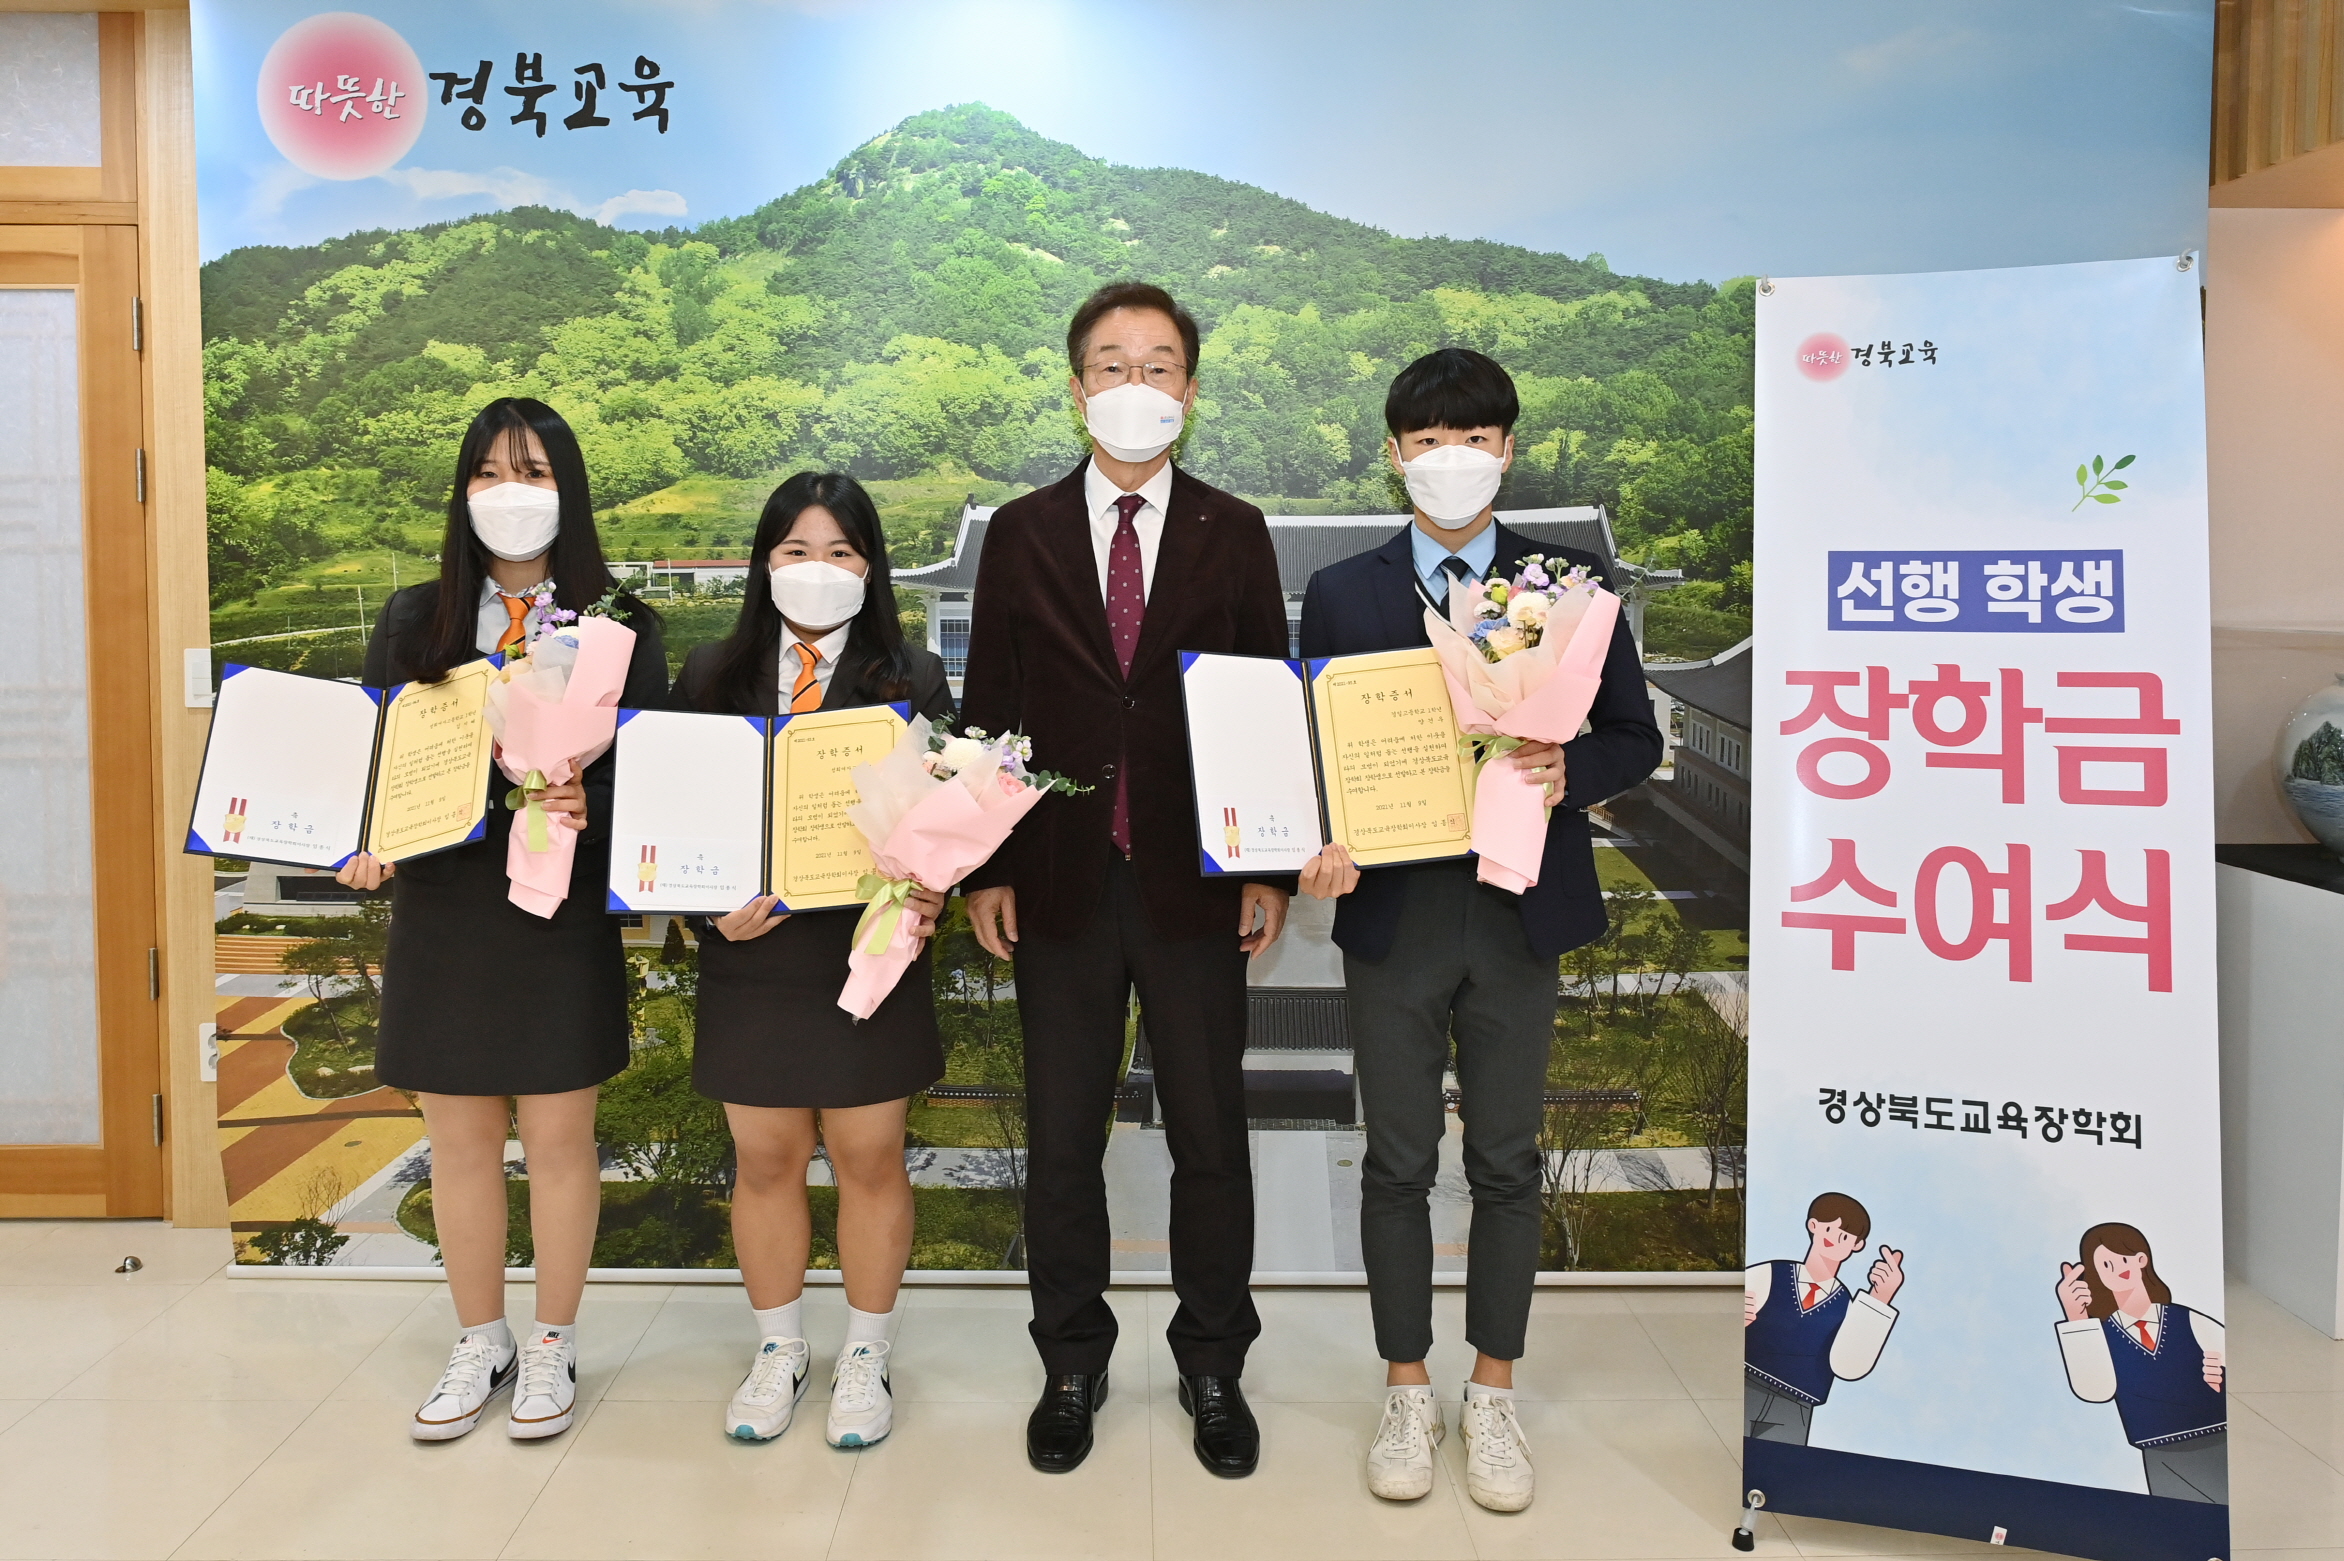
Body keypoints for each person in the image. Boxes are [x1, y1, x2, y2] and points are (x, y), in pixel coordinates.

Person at [1294, 347, 1663, 1512]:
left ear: (1506, 448)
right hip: (1393, 911)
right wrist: (1318, 835)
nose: (1448, 458)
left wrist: (1569, 767)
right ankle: (1407, 1387)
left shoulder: (1565, 579)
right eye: (1425, 440)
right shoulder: (1342, 591)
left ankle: (1493, 1390)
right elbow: (1312, 749)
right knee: (1397, 1159)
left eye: (1471, 438)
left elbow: (1636, 734)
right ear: (1393, 453)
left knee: (1506, 1157)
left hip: (1518, 906)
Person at [960, 281, 1292, 1478]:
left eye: (1158, 364)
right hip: (1058, 878)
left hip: (1195, 881)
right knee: (1061, 1141)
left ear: (1188, 390)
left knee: (1211, 1136)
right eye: (1112, 363)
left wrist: (1265, 866)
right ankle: (1071, 1361)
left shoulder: (1234, 529)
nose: (1134, 383)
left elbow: (1263, 704)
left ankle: (1212, 1362)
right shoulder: (1022, 530)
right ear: (1077, 387)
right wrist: (987, 866)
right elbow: (989, 707)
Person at [338, 396, 667, 1442]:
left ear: (569, 490)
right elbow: (374, 767)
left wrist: (587, 803)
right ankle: (480, 1338)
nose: (508, 492)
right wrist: (363, 842)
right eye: (488, 472)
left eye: (532, 472)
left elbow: (652, 781)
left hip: (557, 912)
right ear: (463, 490)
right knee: (462, 1142)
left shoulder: (621, 623)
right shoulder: (415, 618)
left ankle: (553, 1342)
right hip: (444, 909)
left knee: (561, 1140)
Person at [670, 473, 954, 1451]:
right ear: (765, 562)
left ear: (869, 568)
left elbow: (948, 816)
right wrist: (706, 911)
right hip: (751, 951)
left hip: (867, 953)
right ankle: (779, 1347)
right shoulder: (709, 675)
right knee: (765, 1158)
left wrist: (933, 884)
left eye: (840, 551)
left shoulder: (912, 677)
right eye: (796, 550)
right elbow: (669, 814)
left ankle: (867, 1352)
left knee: (870, 1156)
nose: (817, 568)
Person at [2054, 1221, 2226, 1502]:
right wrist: (2076, 1319)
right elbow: (2096, 1391)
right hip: (2158, 1451)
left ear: (2141, 1259)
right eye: (2106, 1265)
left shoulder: (2184, 1318)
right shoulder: (2100, 1335)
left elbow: (2233, 1360)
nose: (2118, 1268)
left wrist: (2220, 1374)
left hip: (2217, 1437)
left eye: (2123, 1257)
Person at [1742, 1192, 1905, 1448]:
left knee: (1779, 1463)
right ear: (1813, 1225)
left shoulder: (1847, 1304)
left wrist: (1880, 1298)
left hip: (1797, 1406)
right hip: (1746, 1385)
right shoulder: (1772, 1273)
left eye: (1845, 1236)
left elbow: (1848, 1365)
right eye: (1829, 1228)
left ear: (1857, 1245)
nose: (1834, 1239)